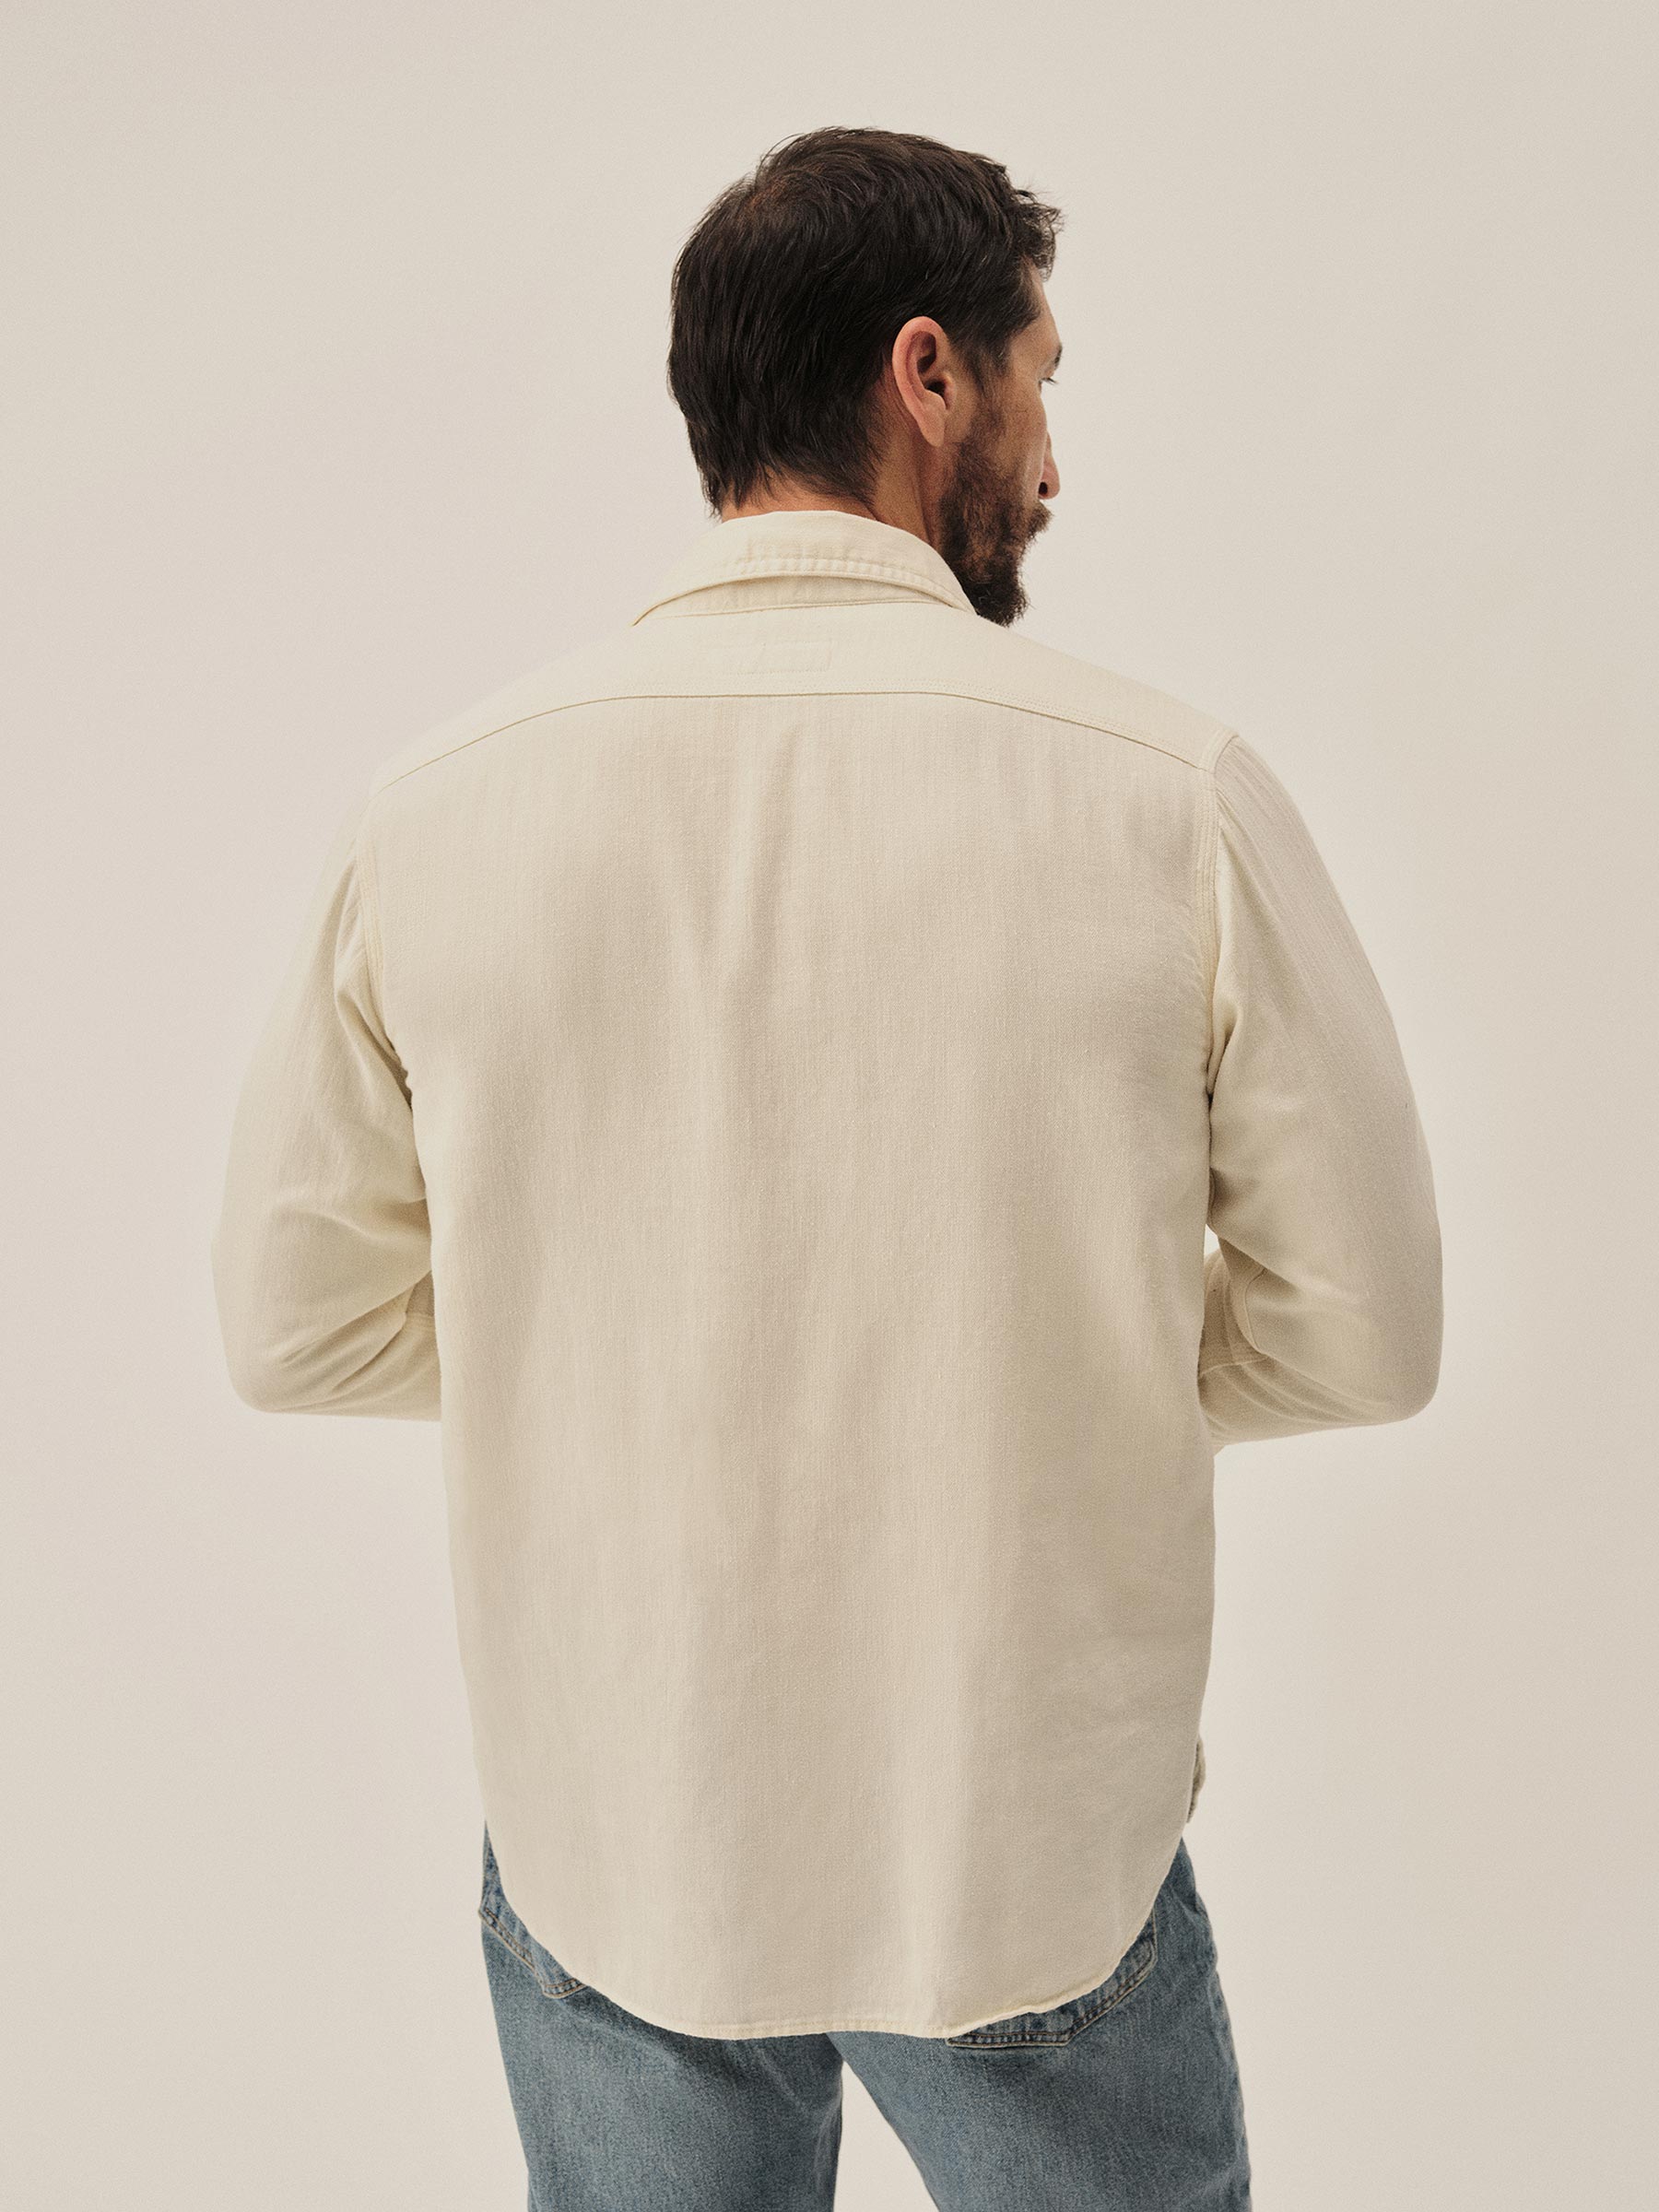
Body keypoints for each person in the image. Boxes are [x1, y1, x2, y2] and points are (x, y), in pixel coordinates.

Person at [210, 124, 1442, 2209]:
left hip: (621, 1825)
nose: (1053, 465)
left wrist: (603, 1341)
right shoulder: (1166, 795)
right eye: (1039, 384)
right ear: (927, 372)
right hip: (1022, 1840)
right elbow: (1369, 1335)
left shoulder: (440, 813)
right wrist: (1050, 1367)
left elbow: (294, 1328)